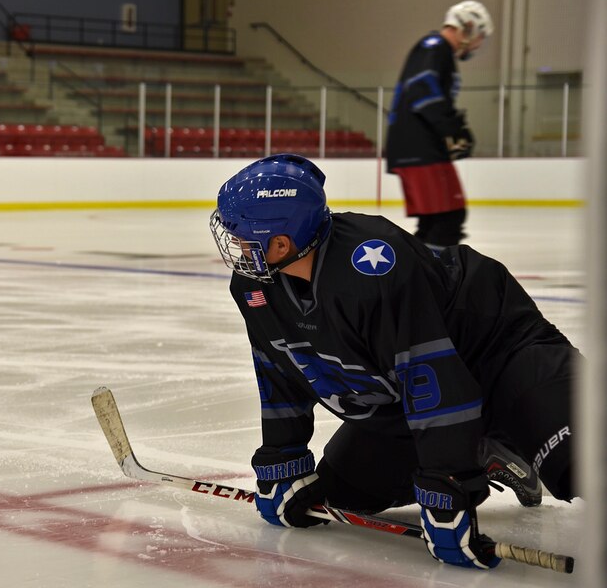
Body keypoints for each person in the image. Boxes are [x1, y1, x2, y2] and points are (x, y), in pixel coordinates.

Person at [210, 154, 578, 570]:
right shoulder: (254, 286)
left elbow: (430, 375)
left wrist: (448, 488)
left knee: (580, 460)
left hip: (502, 357)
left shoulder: (372, 267)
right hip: (414, 397)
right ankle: (484, 450)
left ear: (281, 243)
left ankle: (499, 437)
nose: (235, 246)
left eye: (242, 235)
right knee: (339, 492)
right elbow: (277, 370)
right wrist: (283, 459)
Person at [386, 1, 493, 252]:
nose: (479, 43)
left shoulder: (435, 50)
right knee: (448, 218)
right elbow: (424, 92)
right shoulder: (435, 47)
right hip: (420, 146)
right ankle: (434, 280)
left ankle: (421, 276)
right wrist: (451, 129)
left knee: (436, 219)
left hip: (418, 145)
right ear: (468, 27)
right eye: (480, 35)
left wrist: (450, 127)